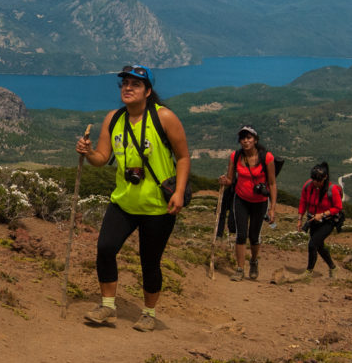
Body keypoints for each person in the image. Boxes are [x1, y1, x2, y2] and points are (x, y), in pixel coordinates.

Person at [75, 65, 191, 332]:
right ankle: (107, 306)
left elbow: (183, 157)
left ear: (148, 91)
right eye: (125, 83)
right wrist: (88, 151)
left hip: (157, 206)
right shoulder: (113, 119)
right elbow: (102, 159)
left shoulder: (165, 118)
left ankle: (148, 313)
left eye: (135, 84)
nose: (128, 88)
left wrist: (179, 192)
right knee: (105, 249)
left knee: (149, 261)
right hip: (124, 202)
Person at [218, 125, 277, 281]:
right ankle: (239, 268)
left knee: (254, 236)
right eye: (243, 138)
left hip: (260, 202)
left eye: (249, 137)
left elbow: (272, 184)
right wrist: (225, 181)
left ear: (255, 140)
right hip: (241, 199)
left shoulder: (267, 158)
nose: (245, 141)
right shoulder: (235, 156)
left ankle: (253, 261)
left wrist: (272, 209)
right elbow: (231, 180)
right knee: (241, 235)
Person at [297, 162, 342, 278]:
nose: (316, 183)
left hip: (328, 221)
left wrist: (322, 214)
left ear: (325, 177)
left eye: (319, 180)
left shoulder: (332, 190)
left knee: (312, 244)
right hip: (313, 220)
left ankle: (308, 272)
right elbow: (303, 201)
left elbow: (338, 207)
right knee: (319, 246)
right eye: (314, 180)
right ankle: (333, 267)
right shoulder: (308, 186)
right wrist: (300, 218)